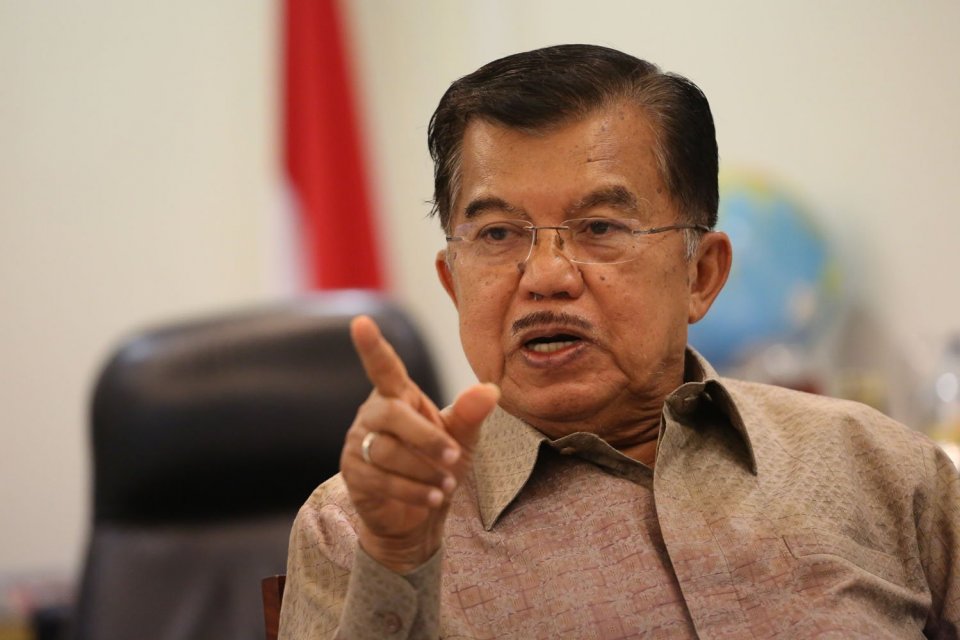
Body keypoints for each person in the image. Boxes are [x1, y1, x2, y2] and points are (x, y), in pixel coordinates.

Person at [278, 44, 960, 639]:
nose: (545, 276)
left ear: (701, 274)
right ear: (455, 284)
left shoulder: (879, 469)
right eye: (498, 234)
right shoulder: (364, 528)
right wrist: (399, 564)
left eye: (600, 227)